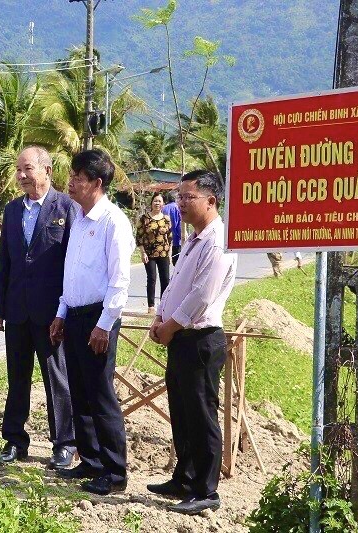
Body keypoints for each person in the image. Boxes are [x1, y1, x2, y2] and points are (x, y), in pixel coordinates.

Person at [147, 170, 237, 516]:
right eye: (178, 197)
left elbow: (202, 294)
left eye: (188, 197)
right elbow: (175, 286)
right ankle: (184, 478)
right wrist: (160, 316)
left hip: (200, 338)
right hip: (179, 335)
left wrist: (170, 325)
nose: (180, 204)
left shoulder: (219, 240)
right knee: (182, 412)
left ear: (211, 201)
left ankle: (206, 490)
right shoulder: (194, 237)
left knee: (201, 414)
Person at [50, 149, 135, 496]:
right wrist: (61, 313)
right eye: (71, 174)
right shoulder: (80, 219)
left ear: (97, 183)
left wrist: (104, 323)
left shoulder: (114, 222)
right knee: (80, 392)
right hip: (75, 315)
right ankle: (92, 460)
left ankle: (115, 473)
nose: (70, 181)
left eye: (78, 177)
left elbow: (119, 280)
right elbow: (73, 275)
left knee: (101, 394)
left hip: (99, 317)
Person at [0, 146, 77, 469]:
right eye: (19, 170)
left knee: (56, 376)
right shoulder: (12, 210)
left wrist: (63, 312)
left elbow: (71, 264)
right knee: (17, 377)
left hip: (51, 312)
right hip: (16, 310)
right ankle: (14, 440)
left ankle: (64, 443)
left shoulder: (65, 207)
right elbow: (6, 261)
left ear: (47, 171)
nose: (22, 176)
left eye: (28, 169)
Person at [136, 193, 172, 313]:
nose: (157, 203)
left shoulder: (166, 219)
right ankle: (151, 306)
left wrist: (170, 253)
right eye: (155, 201)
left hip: (163, 253)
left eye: (159, 201)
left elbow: (170, 237)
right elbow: (139, 236)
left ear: (163, 204)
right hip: (149, 254)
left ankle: (164, 305)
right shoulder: (144, 218)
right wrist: (142, 252)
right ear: (151, 203)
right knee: (151, 278)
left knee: (165, 279)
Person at [161, 191, 182, 266]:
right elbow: (180, 225)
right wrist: (183, 238)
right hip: (176, 240)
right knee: (178, 264)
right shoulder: (177, 208)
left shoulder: (163, 208)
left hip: (164, 240)